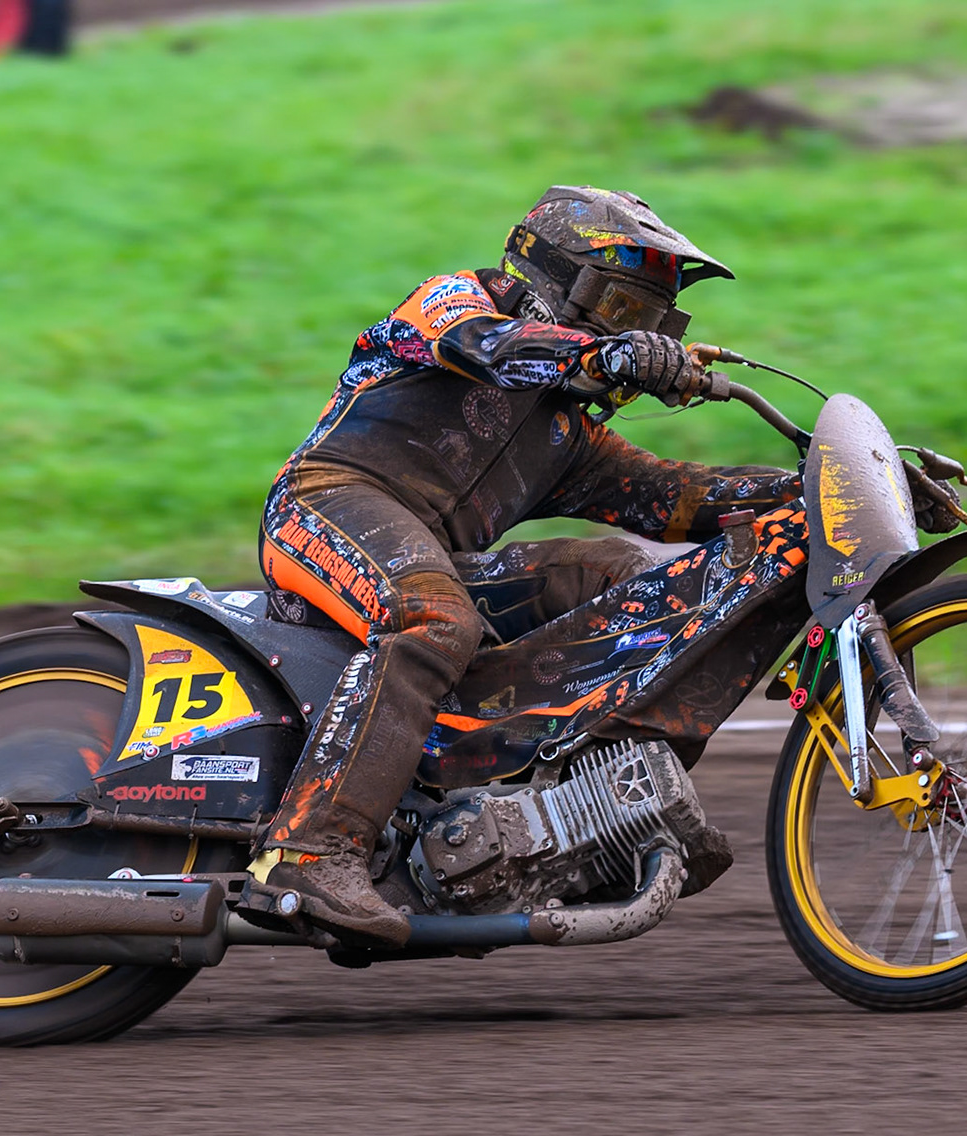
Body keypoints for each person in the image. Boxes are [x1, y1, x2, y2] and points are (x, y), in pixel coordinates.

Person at [256, 186, 802, 946]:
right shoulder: (458, 299)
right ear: (550, 272)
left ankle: (609, 807)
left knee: (629, 574)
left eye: (648, 321)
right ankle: (311, 850)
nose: (635, 335)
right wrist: (600, 353)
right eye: (618, 309)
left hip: (437, 555)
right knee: (437, 614)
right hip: (325, 503)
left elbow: (673, 497)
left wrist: (820, 489)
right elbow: (488, 345)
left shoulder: (567, 435)